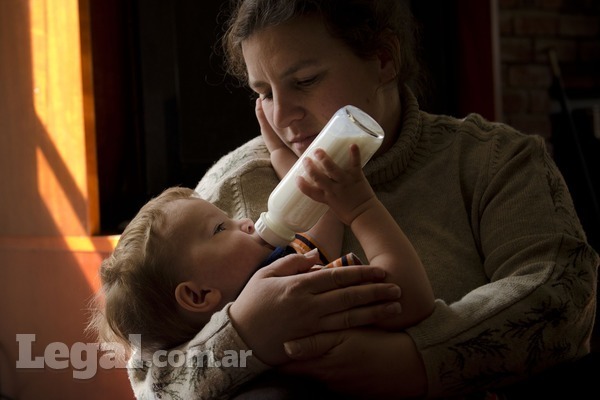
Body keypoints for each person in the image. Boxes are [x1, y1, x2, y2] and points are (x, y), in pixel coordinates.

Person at [127, 0, 599, 399]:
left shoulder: (495, 162)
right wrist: (243, 335)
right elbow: (149, 378)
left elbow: (562, 301)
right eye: (264, 92)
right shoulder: (226, 190)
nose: (284, 114)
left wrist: (414, 360)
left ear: (383, 58)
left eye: (306, 80)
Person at [90, 142, 434, 361]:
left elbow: (321, 214)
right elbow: (408, 298)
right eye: (220, 228)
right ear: (198, 295)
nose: (244, 221)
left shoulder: (278, 265)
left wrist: (282, 151)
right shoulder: (293, 300)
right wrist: (361, 208)